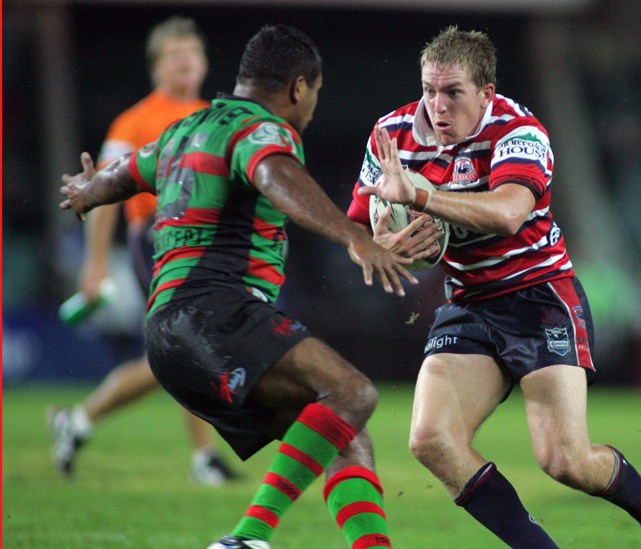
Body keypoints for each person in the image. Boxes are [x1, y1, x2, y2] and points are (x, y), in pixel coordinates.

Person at [59, 24, 416, 549]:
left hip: (166, 334)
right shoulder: (263, 132)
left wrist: (89, 191)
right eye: (314, 94)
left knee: (342, 430)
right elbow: (274, 176)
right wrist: (352, 236)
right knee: (352, 391)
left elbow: (124, 174)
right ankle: (246, 538)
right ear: (298, 88)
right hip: (216, 311)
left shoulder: (186, 129)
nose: (312, 108)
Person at [347, 27, 641, 549]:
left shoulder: (520, 130)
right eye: (429, 90)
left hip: (539, 297)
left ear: (486, 93)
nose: (437, 106)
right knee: (431, 440)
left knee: (565, 462)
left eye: (453, 92)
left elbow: (509, 212)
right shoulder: (391, 134)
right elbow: (359, 227)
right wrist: (381, 244)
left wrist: (420, 196)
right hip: (468, 303)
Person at [48, 16, 240, 485]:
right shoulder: (133, 122)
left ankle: (77, 421)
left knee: (175, 355)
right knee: (184, 348)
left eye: (191, 54)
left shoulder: (213, 116)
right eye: (175, 56)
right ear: (156, 67)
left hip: (205, 244)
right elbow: (99, 193)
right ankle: (204, 459)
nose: (185, 64)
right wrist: (94, 264)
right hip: (156, 243)